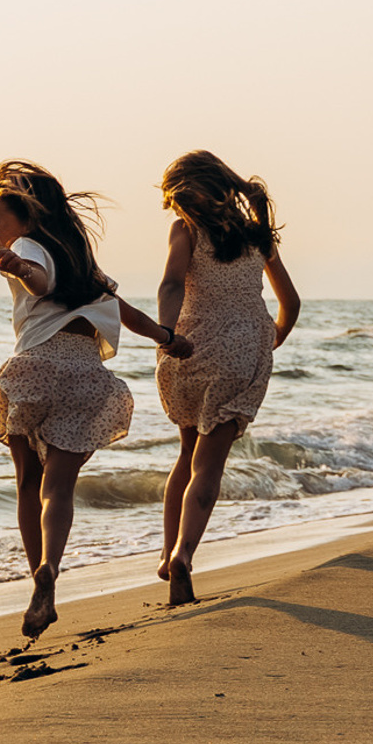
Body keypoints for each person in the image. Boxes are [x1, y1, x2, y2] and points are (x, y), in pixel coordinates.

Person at [0, 160, 185, 639]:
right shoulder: (84, 264)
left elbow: (38, 279)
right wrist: (169, 338)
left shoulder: (26, 247)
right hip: (84, 375)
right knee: (58, 488)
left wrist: (17, 265)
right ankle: (51, 566)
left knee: (28, 484)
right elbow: (128, 313)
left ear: (27, 218)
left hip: (34, 368)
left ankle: (39, 578)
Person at [152, 150, 300, 606]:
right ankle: (183, 554)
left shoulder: (185, 230)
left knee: (186, 454)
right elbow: (291, 302)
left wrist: (167, 333)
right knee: (209, 465)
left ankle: (167, 552)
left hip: (189, 348)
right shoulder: (257, 234)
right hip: (241, 355)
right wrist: (269, 339)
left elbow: (171, 283)